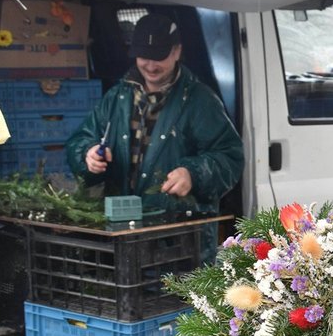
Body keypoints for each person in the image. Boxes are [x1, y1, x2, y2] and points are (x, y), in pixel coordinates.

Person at [66, 12, 244, 220]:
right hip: (122, 226)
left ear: (177, 52)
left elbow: (230, 158)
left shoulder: (200, 100)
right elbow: (79, 140)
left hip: (178, 232)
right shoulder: (118, 96)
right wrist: (87, 154)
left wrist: (193, 174)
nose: (150, 66)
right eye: (144, 57)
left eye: (159, 56)